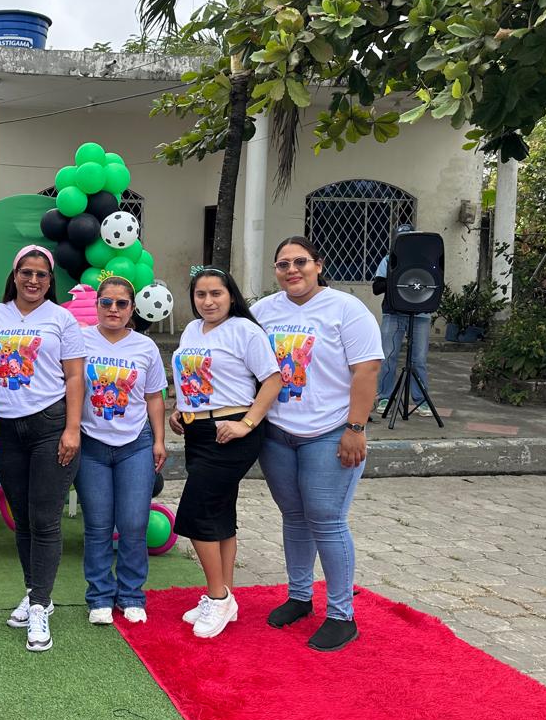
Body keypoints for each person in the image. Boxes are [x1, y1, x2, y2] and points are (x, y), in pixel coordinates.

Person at [252, 236, 383, 652]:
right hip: (277, 434)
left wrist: (355, 428)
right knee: (294, 516)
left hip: (329, 433)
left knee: (326, 520)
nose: (292, 270)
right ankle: (300, 596)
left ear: (318, 264)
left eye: (300, 262)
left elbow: (366, 371)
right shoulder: (262, 312)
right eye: (283, 264)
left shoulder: (347, 309)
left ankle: (342, 615)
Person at [167, 268, 283, 639]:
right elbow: (196, 377)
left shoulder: (245, 330)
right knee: (218, 512)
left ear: (231, 295)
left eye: (216, 293)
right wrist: (181, 407)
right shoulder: (192, 330)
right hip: (197, 432)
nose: (208, 301)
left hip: (231, 432)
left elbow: (273, 379)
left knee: (196, 514)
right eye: (200, 295)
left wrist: (247, 423)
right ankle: (225, 598)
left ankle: (217, 596)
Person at [0, 245, 85, 653]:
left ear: (50, 279)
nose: (34, 280)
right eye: (26, 272)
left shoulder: (61, 319)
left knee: (45, 519)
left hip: (50, 426)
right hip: (7, 429)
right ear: (15, 274)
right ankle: (34, 590)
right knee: (22, 518)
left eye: (42, 274)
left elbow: (74, 377)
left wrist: (72, 430)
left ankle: (40, 604)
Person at [74, 276, 167, 626]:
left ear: (132, 308)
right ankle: (99, 595)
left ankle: (130, 594)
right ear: (97, 304)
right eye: (106, 302)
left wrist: (159, 440)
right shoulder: (80, 340)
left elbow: (154, 397)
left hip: (135, 445)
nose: (113, 309)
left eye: (121, 303)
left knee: (133, 523)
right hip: (91, 445)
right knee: (98, 525)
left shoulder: (145, 347)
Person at [373, 223, 431, 416]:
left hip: (420, 314)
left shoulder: (425, 260)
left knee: (419, 360)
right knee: (388, 356)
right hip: (394, 313)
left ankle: (421, 400)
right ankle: (385, 397)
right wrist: (397, 274)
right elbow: (376, 287)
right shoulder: (389, 260)